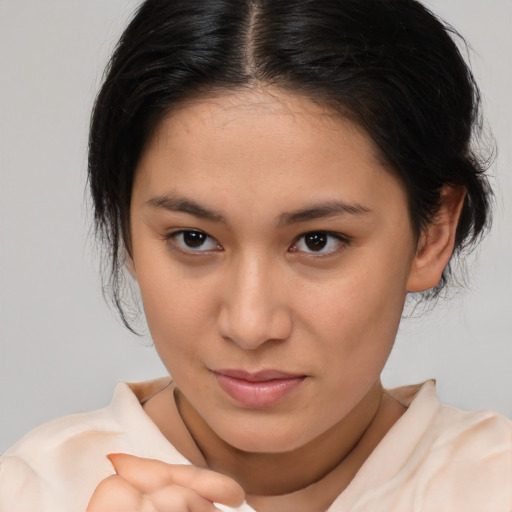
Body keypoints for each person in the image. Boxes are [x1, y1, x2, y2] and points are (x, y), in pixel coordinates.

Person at [0, 0, 510, 511]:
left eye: (318, 241)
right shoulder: (30, 494)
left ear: (432, 234)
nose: (250, 324)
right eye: (193, 238)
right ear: (125, 229)